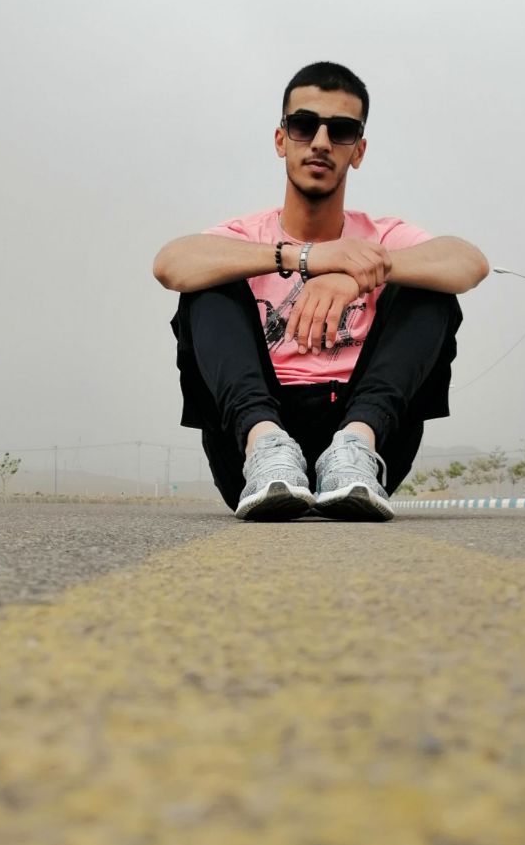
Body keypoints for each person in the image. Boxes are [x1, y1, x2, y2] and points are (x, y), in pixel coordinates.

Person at [153, 61, 489, 521]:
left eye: (342, 130)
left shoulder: (379, 236)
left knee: (429, 286)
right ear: (281, 140)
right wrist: (307, 258)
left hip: (369, 434)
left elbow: (468, 262)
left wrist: (359, 273)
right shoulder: (245, 237)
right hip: (250, 440)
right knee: (207, 281)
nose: (321, 142)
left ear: (359, 150)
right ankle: (266, 447)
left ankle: (354, 447)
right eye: (304, 125)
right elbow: (171, 264)